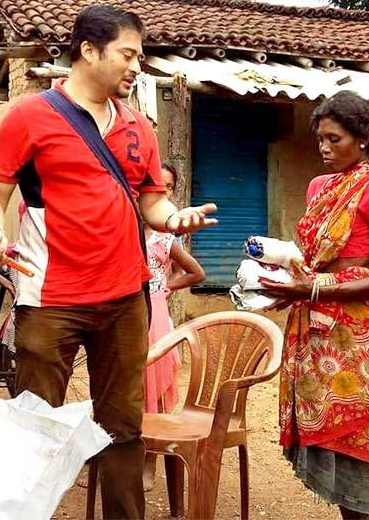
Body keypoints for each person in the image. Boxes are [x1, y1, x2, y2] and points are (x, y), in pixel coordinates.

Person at [0, 6, 216, 519]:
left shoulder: (139, 129)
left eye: (140, 57)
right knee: (33, 427)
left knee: (123, 428)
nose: (136, 67)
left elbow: (152, 202)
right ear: (88, 50)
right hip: (50, 299)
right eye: (128, 54)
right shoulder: (31, 115)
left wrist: (175, 220)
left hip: (126, 300)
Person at [259, 91, 369, 519]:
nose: (324, 147)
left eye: (334, 138)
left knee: (351, 428)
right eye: (320, 138)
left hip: (351, 332)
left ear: (361, 138)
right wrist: (286, 282)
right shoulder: (318, 187)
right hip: (313, 324)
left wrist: (316, 290)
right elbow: (312, 262)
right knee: (320, 427)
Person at [142, 162, 205, 491]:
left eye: (167, 187)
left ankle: (151, 462)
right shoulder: (130, 229)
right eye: (156, 185)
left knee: (158, 392)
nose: (161, 191)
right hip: (129, 313)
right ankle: (119, 455)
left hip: (156, 316)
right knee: (131, 390)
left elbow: (196, 273)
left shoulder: (166, 240)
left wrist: (166, 287)